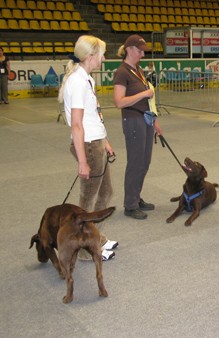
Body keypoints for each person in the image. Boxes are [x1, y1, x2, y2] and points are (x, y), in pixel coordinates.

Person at [58, 35, 118, 261]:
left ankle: (97, 237)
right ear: (91, 56)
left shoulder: (86, 79)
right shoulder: (78, 81)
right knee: (87, 201)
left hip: (96, 142)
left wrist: (106, 141)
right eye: (102, 55)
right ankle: (85, 248)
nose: (104, 59)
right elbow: (76, 124)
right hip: (89, 146)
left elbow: (93, 117)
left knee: (106, 193)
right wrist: (83, 160)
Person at [114, 35, 163, 220]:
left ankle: (136, 196)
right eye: (139, 50)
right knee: (135, 163)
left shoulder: (138, 70)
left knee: (145, 162)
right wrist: (144, 93)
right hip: (133, 120)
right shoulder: (122, 72)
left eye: (143, 50)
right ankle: (130, 204)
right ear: (129, 49)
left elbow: (147, 100)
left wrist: (155, 121)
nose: (142, 54)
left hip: (146, 119)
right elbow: (119, 102)